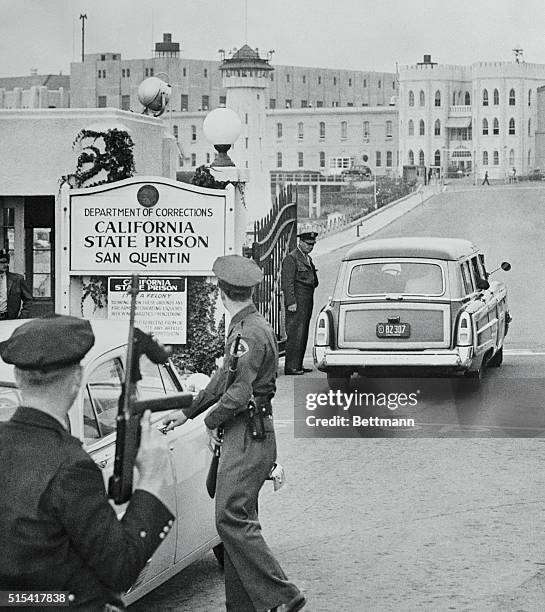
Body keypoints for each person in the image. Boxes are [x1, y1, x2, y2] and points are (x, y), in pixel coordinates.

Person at [0, 315, 174, 610]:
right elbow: (119, 568)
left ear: (18, 378)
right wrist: (152, 479)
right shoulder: (72, 467)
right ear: (77, 379)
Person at [163, 255, 305, 612]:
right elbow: (223, 380)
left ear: (221, 293)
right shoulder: (248, 325)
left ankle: (283, 596)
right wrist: (187, 413)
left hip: (247, 433)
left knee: (230, 518)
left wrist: (210, 423)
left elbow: (238, 394)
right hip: (249, 432)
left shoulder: (248, 332)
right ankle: (242, 606)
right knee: (238, 522)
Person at [280, 232, 319, 375]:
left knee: (302, 333)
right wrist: (291, 302)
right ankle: (291, 367)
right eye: (308, 244)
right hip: (296, 302)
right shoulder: (291, 258)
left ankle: (298, 364)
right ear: (300, 242)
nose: (311, 247)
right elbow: (287, 283)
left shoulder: (307, 258)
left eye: (313, 244)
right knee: (295, 333)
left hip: (306, 302)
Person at [0, 249, 33, 319]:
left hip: (9, 319)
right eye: (2, 262)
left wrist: (23, 316)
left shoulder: (18, 279)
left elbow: (28, 299)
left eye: (6, 262)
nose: (6, 265)